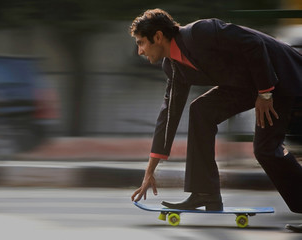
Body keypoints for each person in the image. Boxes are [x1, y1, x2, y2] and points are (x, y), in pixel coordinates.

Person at [129, 8, 302, 232]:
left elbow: (253, 43)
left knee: (266, 149)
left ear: (159, 37)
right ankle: (204, 192)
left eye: (141, 42)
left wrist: (265, 92)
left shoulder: (201, 32)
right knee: (201, 111)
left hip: (277, 76)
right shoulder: (173, 66)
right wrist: (150, 170)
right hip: (249, 86)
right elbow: (168, 115)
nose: (140, 51)